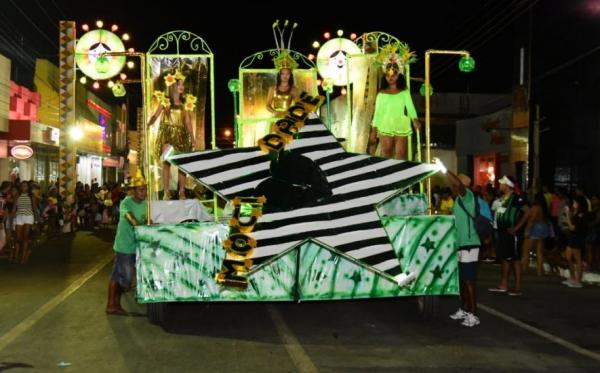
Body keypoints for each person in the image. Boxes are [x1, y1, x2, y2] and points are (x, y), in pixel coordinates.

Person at [148, 69, 196, 200]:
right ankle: (167, 191)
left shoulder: (185, 103)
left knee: (181, 163)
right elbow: (156, 115)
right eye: (179, 84)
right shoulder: (165, 101)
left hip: (181, 134)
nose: (181, 87)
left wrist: (193, 138)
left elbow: (187, 121)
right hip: (167, 133)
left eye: (182, 85)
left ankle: (181, 191)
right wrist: (150, 123)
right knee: (166, 163)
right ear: (172, 86)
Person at [106, 174, 148, 315]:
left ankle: (113, 305)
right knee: (124, 277)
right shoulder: (126, 202)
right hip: (124, 245)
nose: (144, 192)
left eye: (145, 189)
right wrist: (139, 226)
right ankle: (113, 304)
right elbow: (129, 217)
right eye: (141, 190)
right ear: (133, 191)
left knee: (120, 276)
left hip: (136, 245)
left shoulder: (146, 203)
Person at [444, 171, 481, 327]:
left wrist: (445, 169)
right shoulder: (459, 200)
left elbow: (458, 184)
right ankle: (464, 309)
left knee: (469, 281)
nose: (453, 186)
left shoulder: (468, 197)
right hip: (461, 245)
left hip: (469, 245)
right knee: (462, 280)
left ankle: (473, 314)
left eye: (456, 184)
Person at [369, 63, 420, 160]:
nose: (390, 77)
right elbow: (378, 113)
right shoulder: (381, 94)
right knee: (387, 155)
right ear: (385, 77)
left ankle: (400, 174)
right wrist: (373, 131)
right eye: (388, 75)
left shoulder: (404, 91)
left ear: (398, 75)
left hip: (401, 125)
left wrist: (415, 119)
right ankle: (388, 174)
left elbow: (410, 107)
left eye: (393, 75)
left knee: (401, 155)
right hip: (385, 125)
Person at [489, 176, 529, 296]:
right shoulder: (503, 199)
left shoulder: (517, 198)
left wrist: (517, 227)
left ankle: (517, 287)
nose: (500, 185)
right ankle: (503, 284)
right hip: (503, 234)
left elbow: (528, 212)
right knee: (505, 258)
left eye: (502, 183)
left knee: (515, 259)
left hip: (512, 235)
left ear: (507, 185)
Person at [520, 192, 551, 276]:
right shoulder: (544, 208)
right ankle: (539, 271)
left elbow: (532, 220)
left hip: (535, 227)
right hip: (543, 227)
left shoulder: (535, 207)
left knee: (526, 250)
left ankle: (525, 268)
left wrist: (527, 230)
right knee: (539, 251)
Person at [563, 195, 589, 288]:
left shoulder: (581, 214)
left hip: (578, 238)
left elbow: (572, 227)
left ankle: (578, 281)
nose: (573, 204)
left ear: (579, 204)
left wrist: (567, 215)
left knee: (578, 259)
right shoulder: (576, 212)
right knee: (568, 257)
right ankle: (573, 277)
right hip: (572, 237)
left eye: (575, 202)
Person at [12, 182, 37, 264]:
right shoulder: (17, 195)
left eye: (25, 186)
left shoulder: (31, 196)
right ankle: (16, 255)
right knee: (18, 237)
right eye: (22, 186)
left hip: (28, 216)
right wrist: (12, 218)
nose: (24, 187)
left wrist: (35, 220)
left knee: (25, 237)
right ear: (20, 187)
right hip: (19, 216)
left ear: (28, 187)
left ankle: (23, 257)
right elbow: (14, 207)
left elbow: (34, 207)